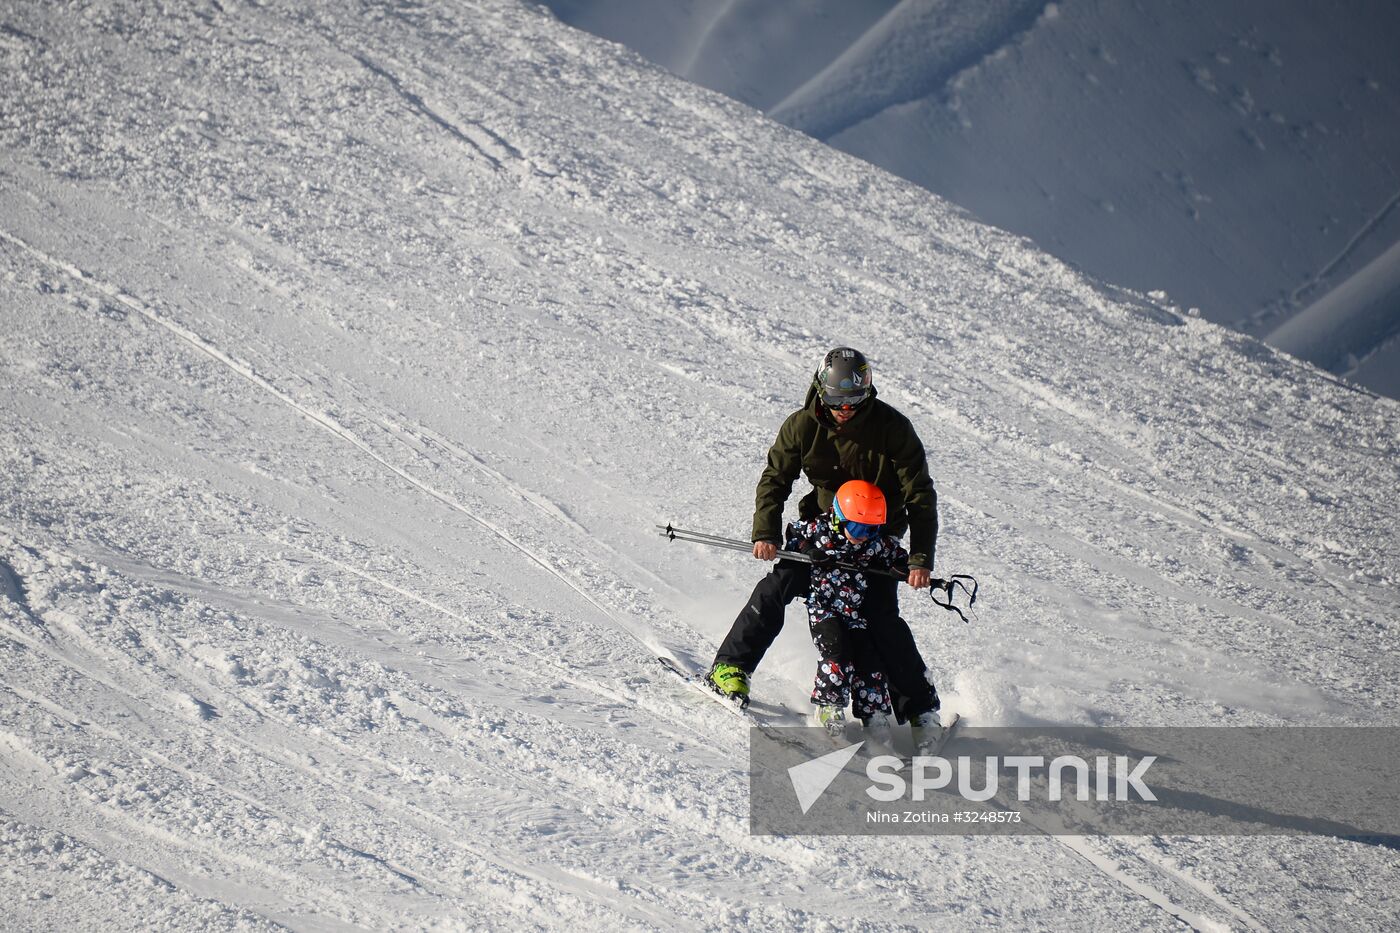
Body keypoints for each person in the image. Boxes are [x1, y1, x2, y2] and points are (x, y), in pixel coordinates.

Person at [707, 346, 944, 744]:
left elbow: (920, 494)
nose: (844, 410)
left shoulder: (894, 429)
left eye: (853, 401)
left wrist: (919, 558)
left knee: (882, 621)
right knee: (774, 590)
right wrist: (766, 532)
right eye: (836, 401)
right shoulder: (802, 425)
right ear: (821, 391)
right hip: (822, 534)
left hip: (874, 538)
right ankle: (731, 668)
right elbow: (775, 479)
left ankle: (921, 710)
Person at [785, 480, 906, 736]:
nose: (862, 534)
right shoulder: (820, 529)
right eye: (856, 526)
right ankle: (829, 706)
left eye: (871, 529)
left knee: (869, 658)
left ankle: (874, 715)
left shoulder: (871, 542)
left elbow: (894, 552)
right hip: (825, 609)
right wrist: (809, 550)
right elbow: (794, 532)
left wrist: (902, 565)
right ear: (839, 517)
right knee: (837, 652)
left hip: (857, 615)